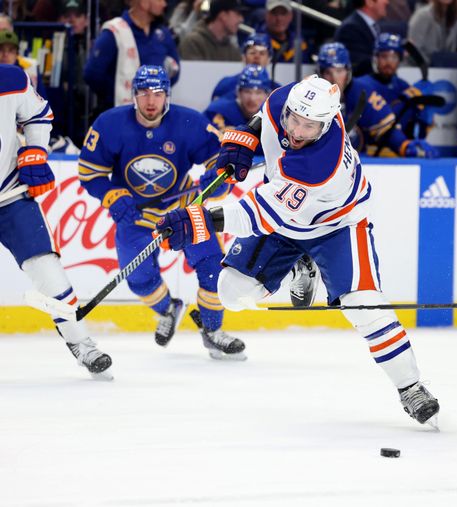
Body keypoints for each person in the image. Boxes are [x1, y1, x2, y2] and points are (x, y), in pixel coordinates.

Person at [153, 75, 441, 427]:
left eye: (309, 126)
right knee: (230, 293)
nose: (298, 132)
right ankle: (297, 268)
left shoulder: (320, 165)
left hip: (337, 226)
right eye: (295, 120)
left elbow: (252, 215)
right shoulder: (281, 101)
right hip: (285, 216)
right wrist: (245, 136)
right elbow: (264, 117)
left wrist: (195, 221)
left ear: (325, 124)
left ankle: (410, 387)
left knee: (364, 307)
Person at [78, 65, 245, 360]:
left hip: (183, 214)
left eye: (157, 93)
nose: (150, 101)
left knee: (213, 269)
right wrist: (112, 196)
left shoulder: (190, 122)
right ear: (134, 95)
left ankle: (212, 330)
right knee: (139, 280)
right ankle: (169, 309)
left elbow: (222, 166)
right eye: (143, 93)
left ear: (167, 94)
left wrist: (215, 181)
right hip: (136, 217)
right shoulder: (109, 124)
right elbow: (90, 174)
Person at [0, 64, 112, 379]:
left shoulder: (10, 79)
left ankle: (83, 346)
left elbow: (38, 115)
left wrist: (35, 149)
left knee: (49, 274)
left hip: (10, 196)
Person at [318, 42, 437, 158]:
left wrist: (405, 146)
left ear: (348, 71)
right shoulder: (308, 94)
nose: (334, 79)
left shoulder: (362, 92)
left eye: (339, 71)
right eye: (328, 72)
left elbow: (387, 128)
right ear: (320, 74)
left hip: (354, 164)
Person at [83, 0, 180, 113]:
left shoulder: (163, 33)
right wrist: (114, 94)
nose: (164, 4)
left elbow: (174, 70)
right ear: (143, 3)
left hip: (155, 115)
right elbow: (92, 74)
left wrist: (155, 94)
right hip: (120, 113)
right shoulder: (115, 31)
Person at [356, 33, 433, 142]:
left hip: (400, 153)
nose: (389, 62)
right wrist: (402, 103)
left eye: (394, 57)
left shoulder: (403, 85)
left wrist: (424, 107)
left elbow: (420, 129)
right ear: (375, 59)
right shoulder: (360, 85)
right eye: (384, 56)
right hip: (368, 152)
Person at [211, 33, 280, 102]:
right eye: (252, 52)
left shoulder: (278, 91)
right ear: (244, 57)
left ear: (269, 59)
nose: (257, 57)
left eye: (262, 53)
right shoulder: (225, 85)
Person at [205, 64, 272, 130]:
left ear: (267, 95)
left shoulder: (275, 117)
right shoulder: (218, 112)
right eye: (247, 92)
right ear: (238, 93)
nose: (252, 98)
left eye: (258, 93)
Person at [335, 0, 388, 76]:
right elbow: (357, 64)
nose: (387, 2)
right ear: (369, 2)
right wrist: (387, 59)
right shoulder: (350, 28)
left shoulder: (373, 25)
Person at [178, 0, 243, 61]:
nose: (241, 19)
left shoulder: (232, 50)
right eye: (237, 14)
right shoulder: (193, 43)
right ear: (223, 16)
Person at [260, 0, 312, 64]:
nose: (279, 18)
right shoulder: (256, 44)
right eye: (274, 13)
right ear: (266, 15)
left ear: (291, 16)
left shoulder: (300, 42)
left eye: (283, 13)